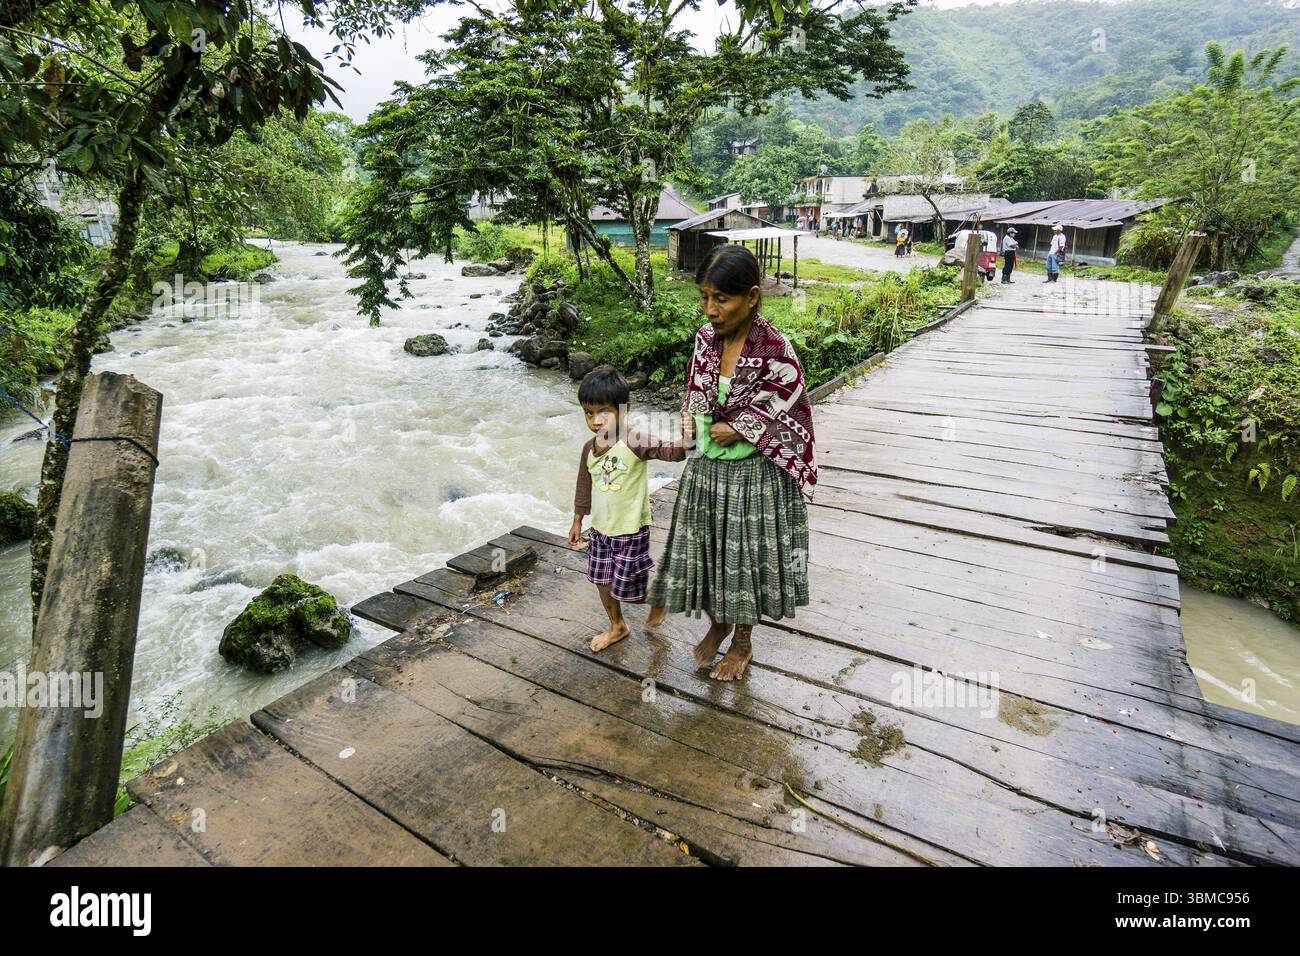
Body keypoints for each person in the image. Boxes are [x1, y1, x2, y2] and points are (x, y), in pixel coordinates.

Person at [648, 245, 816, 681]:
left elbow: (790, 407)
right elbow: (696, 388)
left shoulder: (777, 349)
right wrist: (689, 419)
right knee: (709, 551)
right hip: (710, 466)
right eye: (704, 297)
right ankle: (718, 621)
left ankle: (742, 642)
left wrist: (743, 427)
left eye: (721, 299)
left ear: (753, 296)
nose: (710, 309)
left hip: (754, 474)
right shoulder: (706, 339)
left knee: (746, 555)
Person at [569, 366, 687, 652]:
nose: (596, 421)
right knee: (601, 581)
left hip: (630, 530)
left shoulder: (634, 440)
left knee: (629, 590)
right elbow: (584, 486)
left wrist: (688, 436)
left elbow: (672, 452)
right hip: (600, 530)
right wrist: (577, 521)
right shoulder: (589, 447)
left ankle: (658, 597)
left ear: (625, 410)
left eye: (604, 412)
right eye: (588, 412)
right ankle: (617, 626)